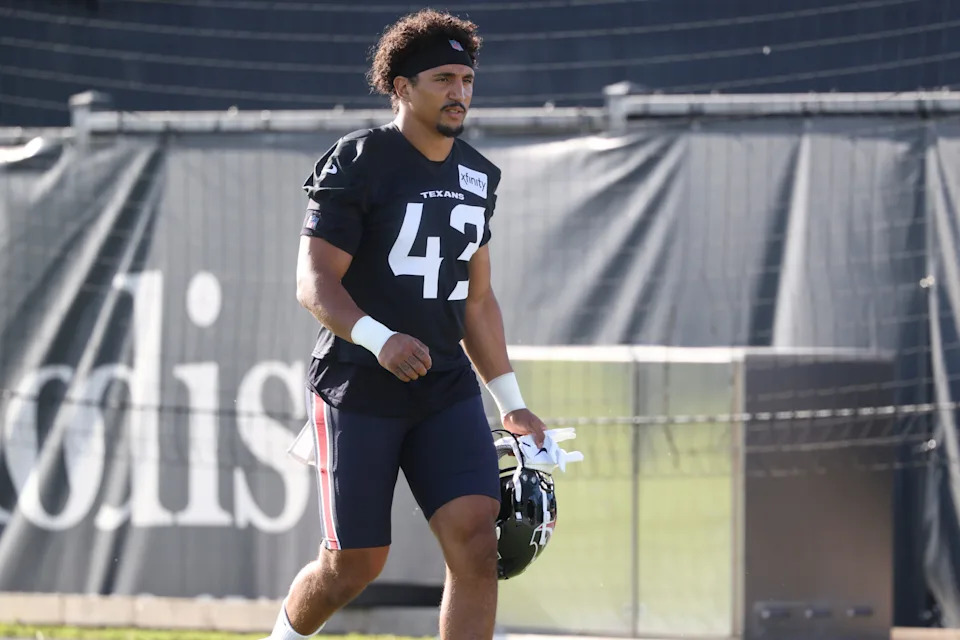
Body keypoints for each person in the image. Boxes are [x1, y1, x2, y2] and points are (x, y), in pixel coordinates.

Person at [266, 9, 547, 640]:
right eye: (443, 78)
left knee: (479, 543)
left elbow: (477, 301)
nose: (459, 92)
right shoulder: (359, 159)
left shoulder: (478, 174)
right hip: (359, 383)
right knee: (353, 565)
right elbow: (314, 281)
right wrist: (380, 338)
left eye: (466, 79)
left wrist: (512, 402)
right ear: (401, 86)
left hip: (443, 386)